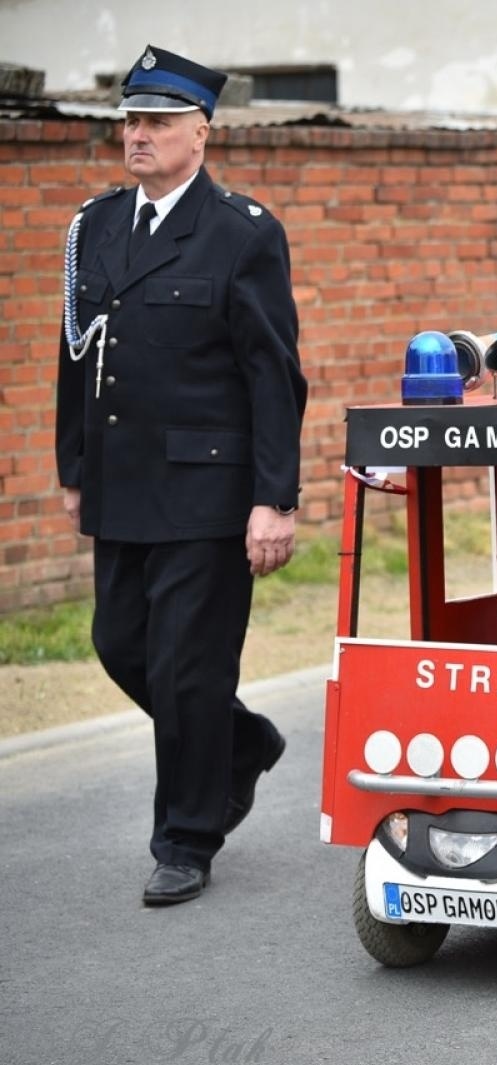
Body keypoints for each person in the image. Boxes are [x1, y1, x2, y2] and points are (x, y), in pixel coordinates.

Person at [54, 46, 307, 907]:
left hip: (209, 490)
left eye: (158, 121)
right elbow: (76, 356)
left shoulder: (243, 231)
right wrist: (74, 467)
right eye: (131, 120)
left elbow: (274, 373)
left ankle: (186, 838)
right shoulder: (95, 226)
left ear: (202, 131)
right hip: (123, 484)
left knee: (187, 669)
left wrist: (274, 497)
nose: (139, 135)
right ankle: (238, 746)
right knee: (121, 645)